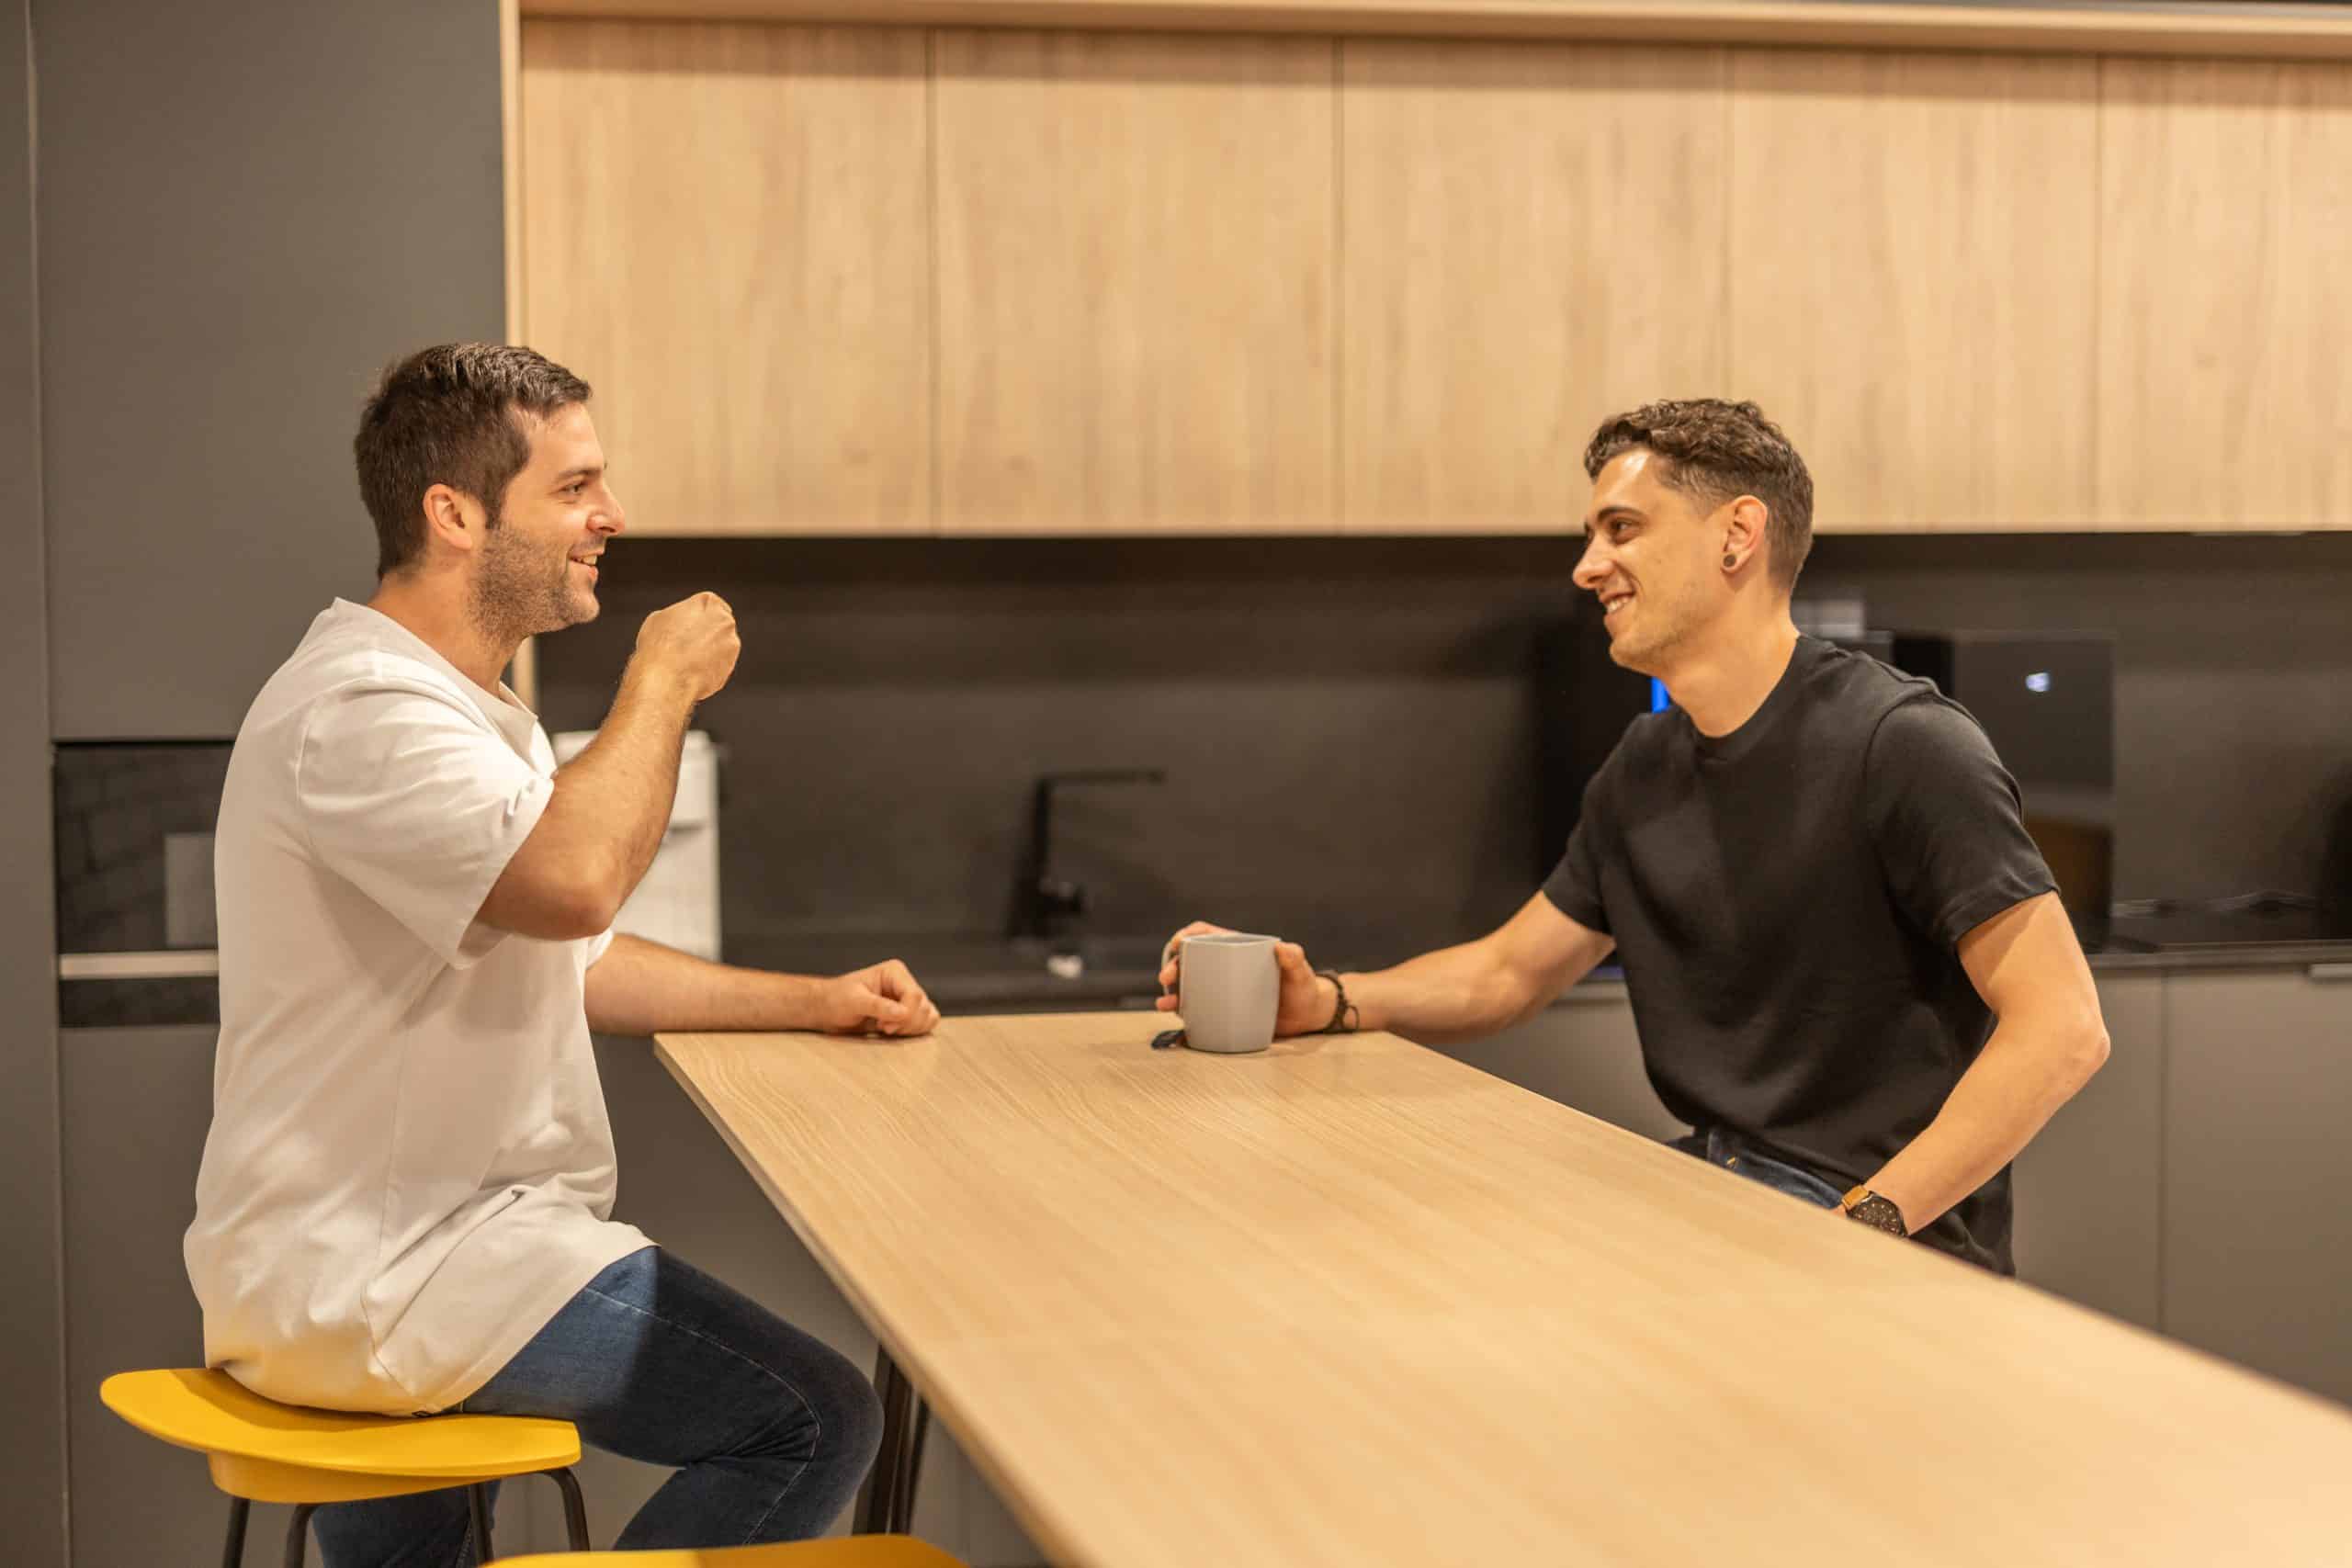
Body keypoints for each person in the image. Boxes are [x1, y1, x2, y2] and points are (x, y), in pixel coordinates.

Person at [186, 343, 941, 1564]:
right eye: (575, 486)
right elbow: (576, 877)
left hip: (406, 1259)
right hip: (396, 1270)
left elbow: (572, 954)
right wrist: (660, 681)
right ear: (454, 515)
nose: (612, 514)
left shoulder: (463, 709)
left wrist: (816, 998)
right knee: (810, 1418)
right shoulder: (364, 711)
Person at [1157, 398, 2109, 1273]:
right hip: (1712, 1184)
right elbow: (1508, 973)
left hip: (1874, 1236)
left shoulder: (1901, 743)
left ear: (1737, 535)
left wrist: (1858, 1228)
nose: (1586, 567)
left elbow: (2063, 1028)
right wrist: (1325, 1001)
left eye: (1621, 529)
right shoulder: (1644, 765)